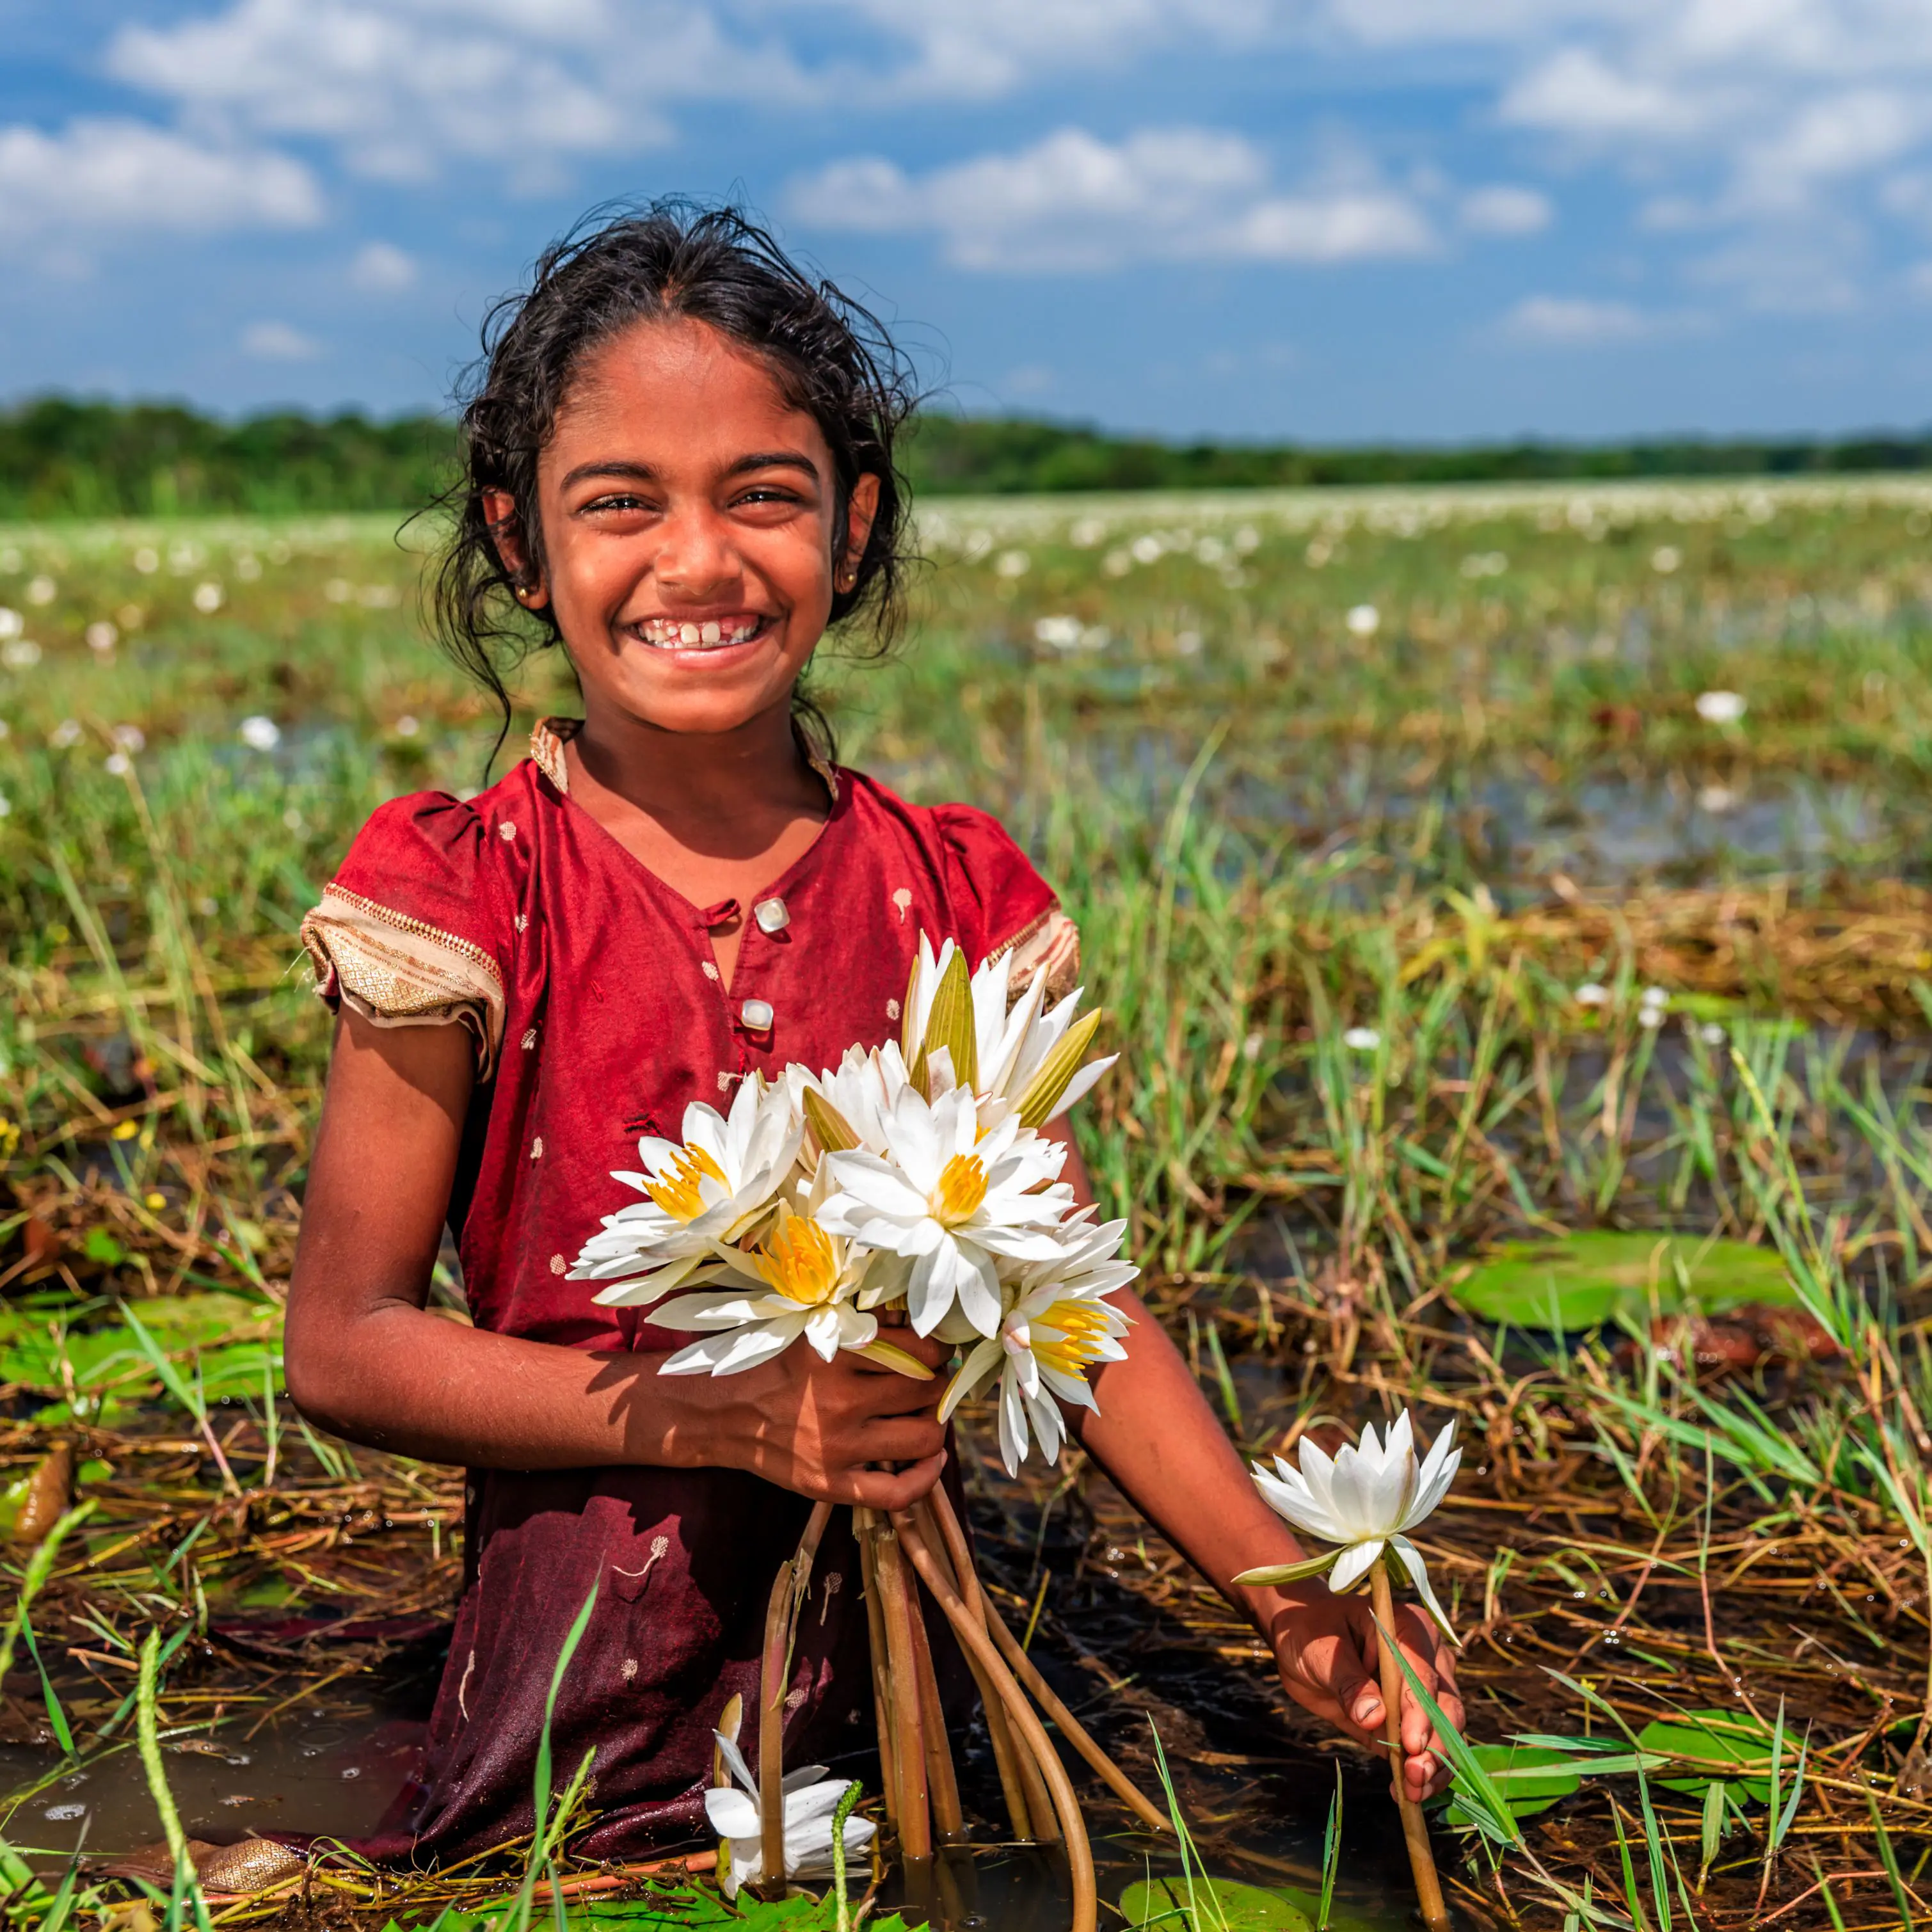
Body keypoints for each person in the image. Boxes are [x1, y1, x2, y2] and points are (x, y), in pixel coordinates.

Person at [283, 201, 1462, 1866]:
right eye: (620, 506)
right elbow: (345, 1342)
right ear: (522, 545)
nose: (698, 561)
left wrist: (1280, 1591)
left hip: (903, 1665)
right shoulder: (465, 894)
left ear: (853, 526)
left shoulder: (949, 891)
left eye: (763, 495)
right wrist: (724, 1416)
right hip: (562, 1699)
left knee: (942, 1876)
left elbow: (1062, 1292)